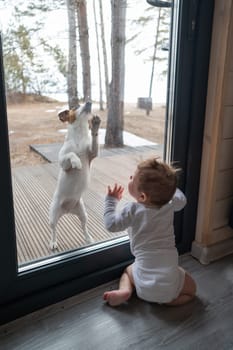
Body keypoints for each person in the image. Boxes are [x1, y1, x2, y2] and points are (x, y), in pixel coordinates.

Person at [103, 157, 196, 306]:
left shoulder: (132, 210)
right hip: (169, 283)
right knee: (192, 291)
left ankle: (125, 291)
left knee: (128, 271)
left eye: (133, 178)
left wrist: (110, 201)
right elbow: (182, 199)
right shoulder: (170, 204)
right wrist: (167, 188)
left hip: (143, 286)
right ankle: (168, 301)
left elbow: (111, 224)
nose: (130, 178)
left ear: (142, 197)